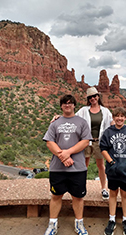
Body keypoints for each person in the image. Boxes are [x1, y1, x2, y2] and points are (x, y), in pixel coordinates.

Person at [43, 94, 92, 235]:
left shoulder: (81, 122)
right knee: (56, 196)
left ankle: (79, 224)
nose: (67, 105)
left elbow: (85, 141)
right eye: (64, 103)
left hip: (78, 168)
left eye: (70, 103)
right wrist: (63, 157)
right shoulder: (55, 123)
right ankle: (52, 224)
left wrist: (68, 153)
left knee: (78, 197)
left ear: (74, 105)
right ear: (61, 106)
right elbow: (49, 142)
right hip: (57, 168)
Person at [100, 107, 126, 235]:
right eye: (117, 116)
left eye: (122, 116)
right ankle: (112, 220)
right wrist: (111, 163)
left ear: (125, 118)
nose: (119, 118)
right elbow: (103, 149)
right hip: (113, 170)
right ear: (113, 117)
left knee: (125, 195)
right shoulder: (108, 132)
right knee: (112, 194)